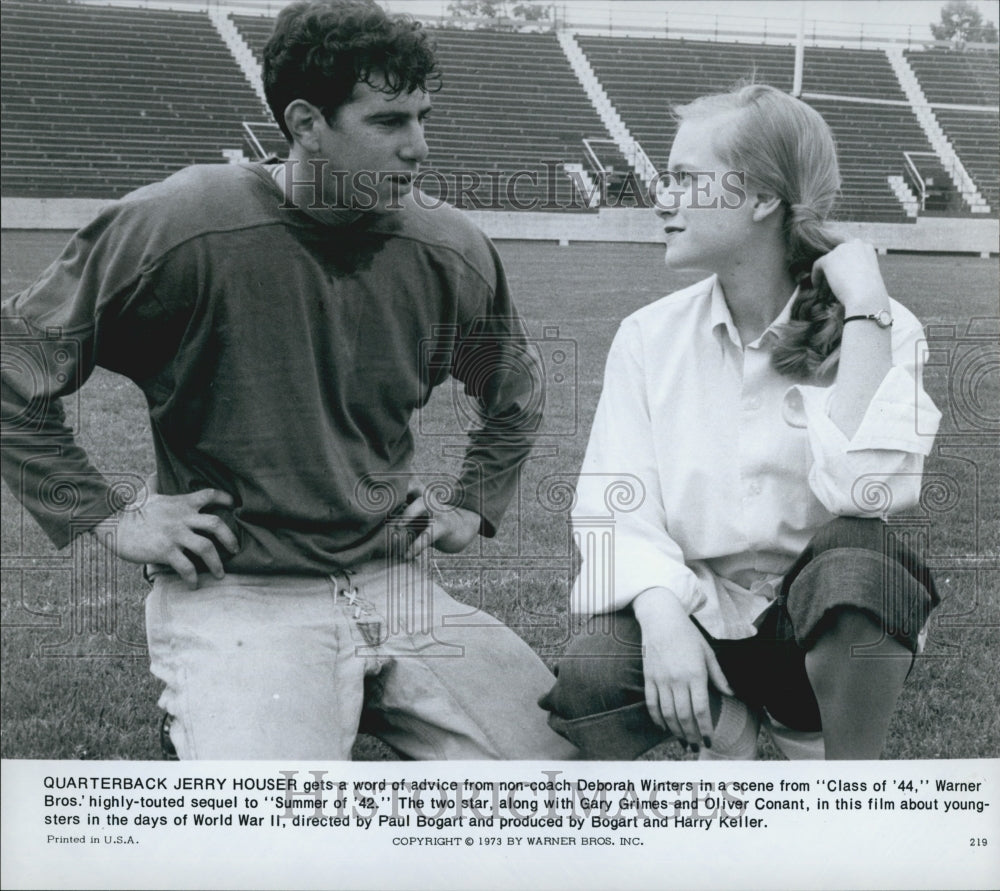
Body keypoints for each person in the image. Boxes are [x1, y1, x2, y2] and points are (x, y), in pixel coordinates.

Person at [1, 0, 576, 761]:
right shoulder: (181, 225)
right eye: (389, 122)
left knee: (565, 776)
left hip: (393, 579)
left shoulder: (449, 247)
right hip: (238, 589)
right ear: (306, 123)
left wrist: (473, 503)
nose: (420, 148)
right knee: (273, 825)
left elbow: (516, 391)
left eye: (424, 117)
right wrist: (111, 517)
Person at [539, 84, 942, 760]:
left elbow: (864, 492)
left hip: (815, 627)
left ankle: (846, 790)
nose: (664, 198)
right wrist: (663, 617)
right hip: (699, 614)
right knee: (593, 671)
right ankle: (739, 739)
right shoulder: (649, 336)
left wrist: (868, 308)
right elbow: (613, 508)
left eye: (686, 179)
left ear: (760, 198)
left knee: (858, 557)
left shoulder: (883, 327)